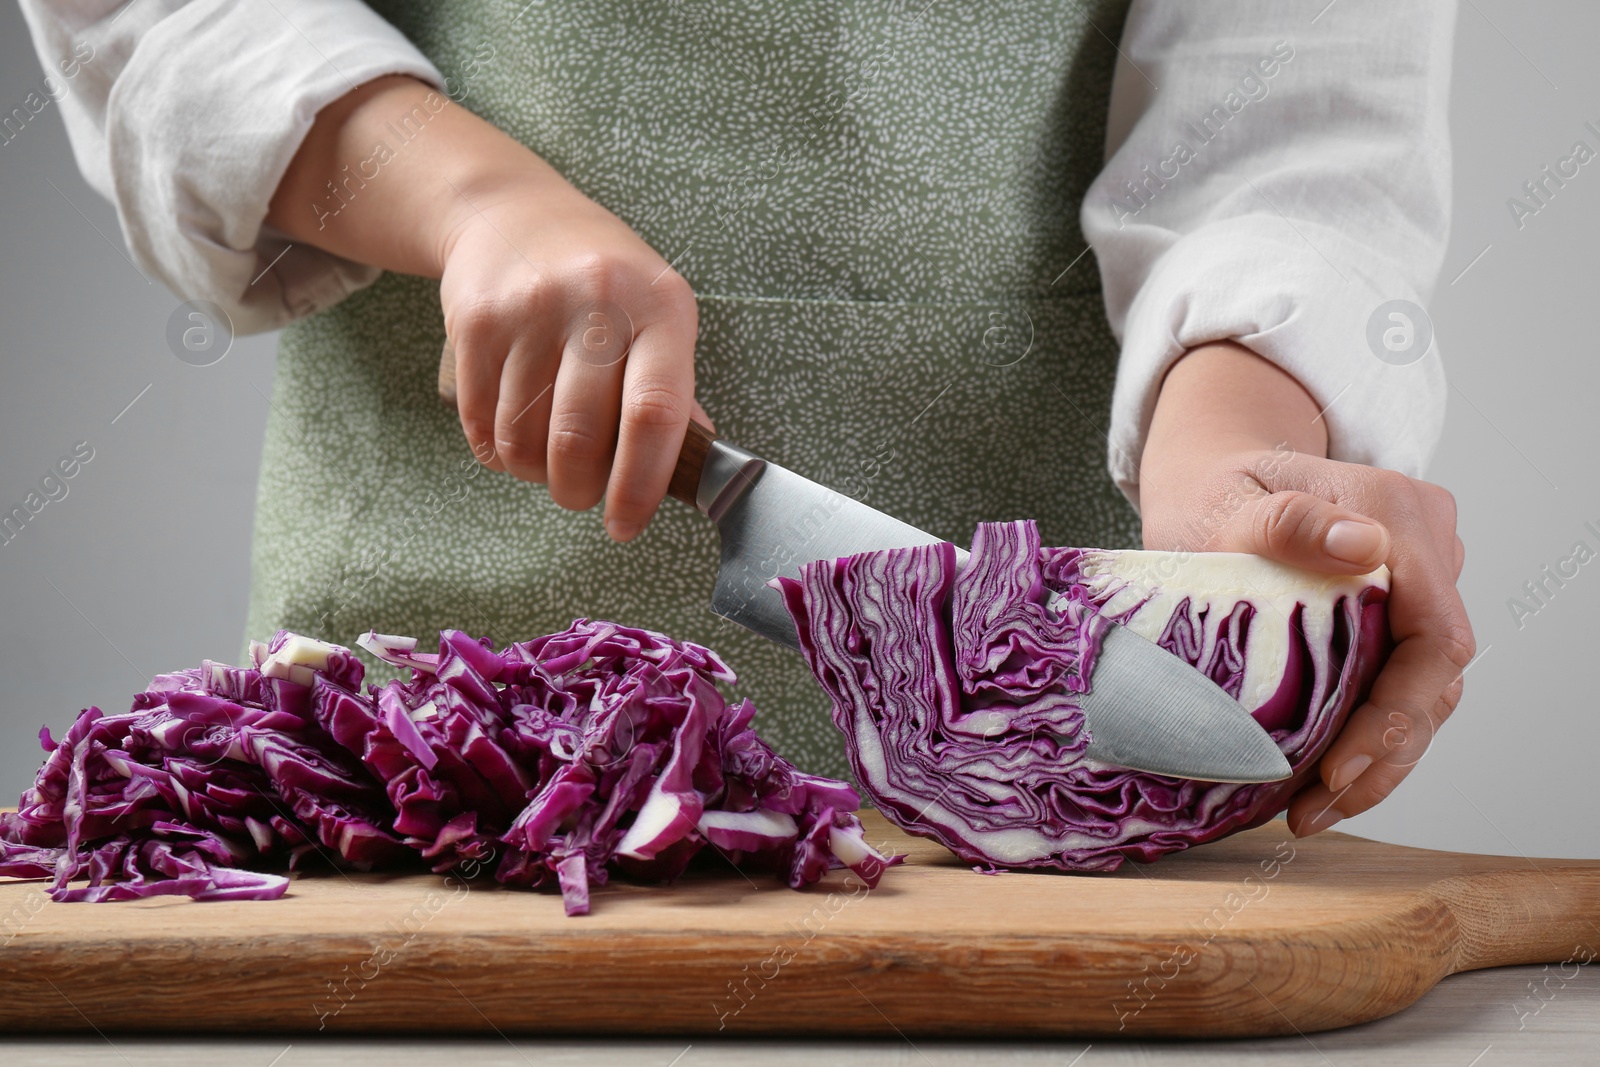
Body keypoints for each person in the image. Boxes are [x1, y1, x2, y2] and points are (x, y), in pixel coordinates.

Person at [20, 0, 1471, 838]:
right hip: (424, 774)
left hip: (1022, 842)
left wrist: (1236, 473)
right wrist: (467, 199)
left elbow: (1288, 139)